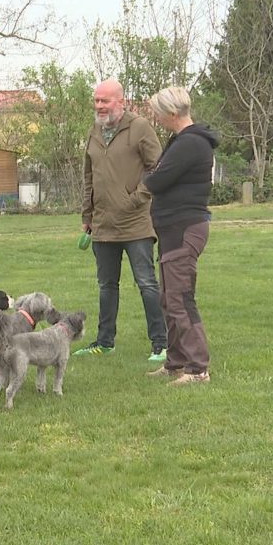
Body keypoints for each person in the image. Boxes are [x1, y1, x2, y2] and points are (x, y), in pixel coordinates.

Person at [74, 79, 168, 362]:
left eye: (105, 100)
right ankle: (105, 342)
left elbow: (159, 168)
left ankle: (161, 344)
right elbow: (89, 176)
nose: (99, 106)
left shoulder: (139, 127)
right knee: (106, 285)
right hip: (102, 224)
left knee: (146, 283)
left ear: (121, 101)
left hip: (136, 222)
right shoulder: (94, 131)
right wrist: (87, 215)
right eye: (96, 100)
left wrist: (136, 198)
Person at [143, 86, 218, 385]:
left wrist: (149, 178)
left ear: (172, 113)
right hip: (173, 229)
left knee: (181, 299)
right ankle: (175, 363)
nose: (156, 119)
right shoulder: (182, 141)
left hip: (184, 228)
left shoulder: (191, 143)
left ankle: (198, 369)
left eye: (158, 114)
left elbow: (157, 180)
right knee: (169, 298)